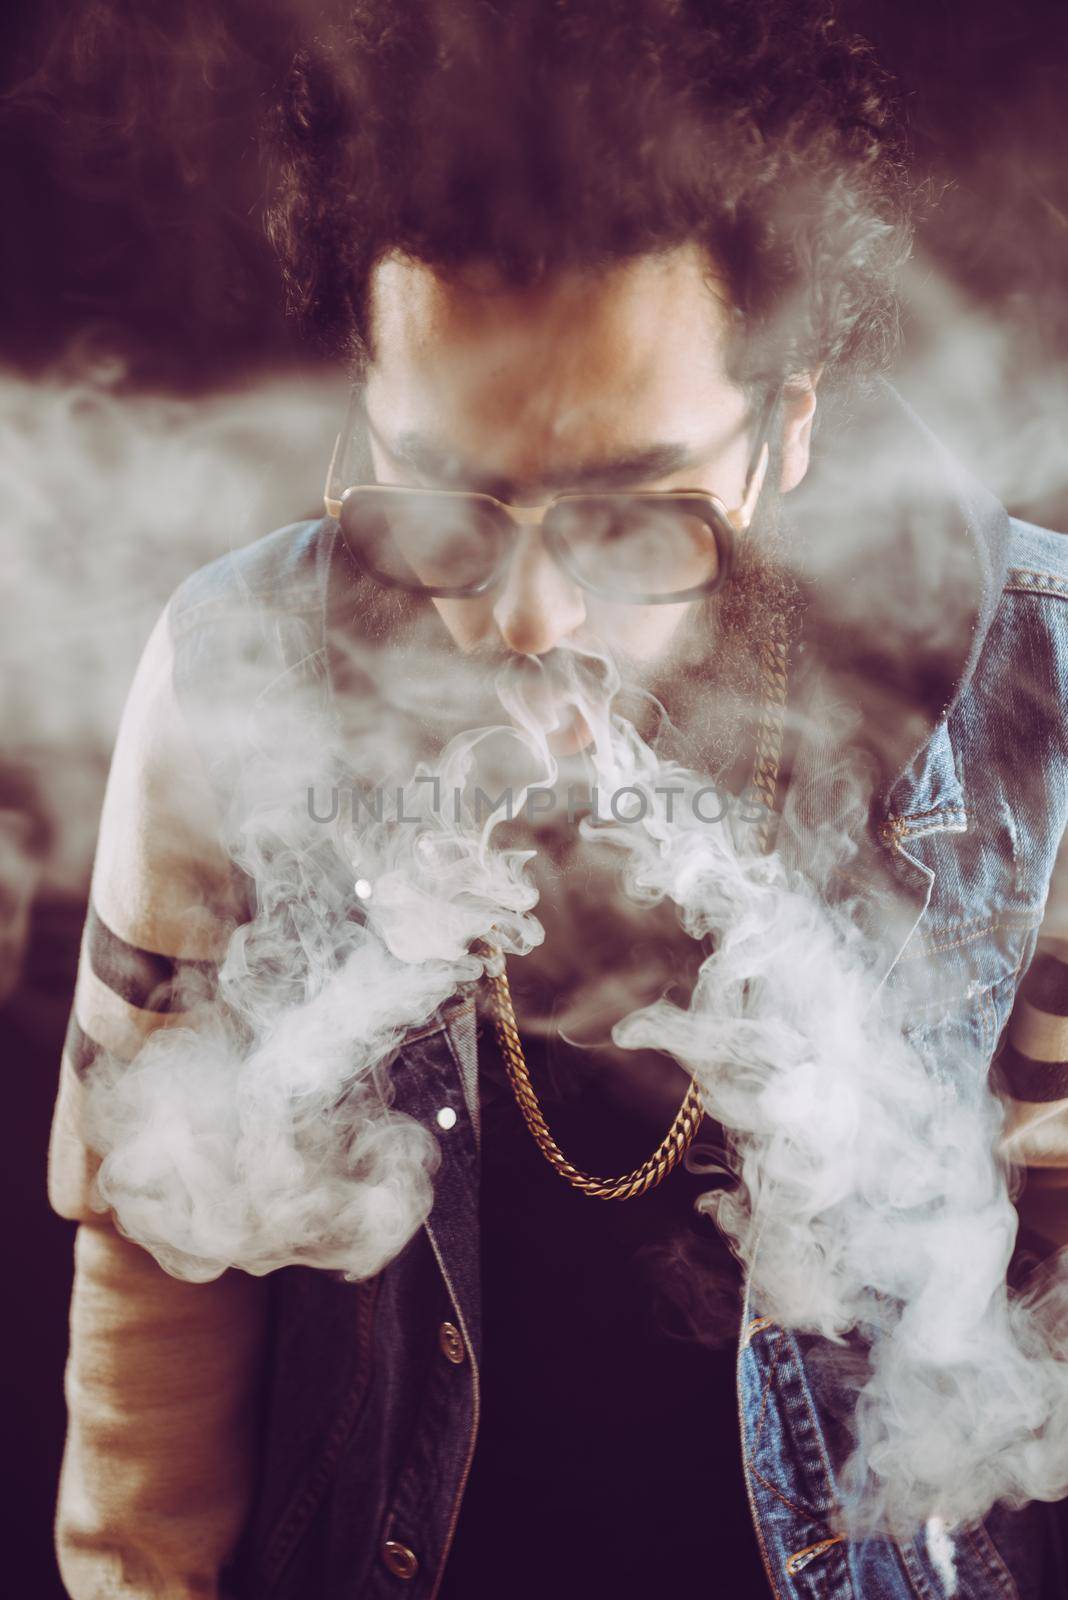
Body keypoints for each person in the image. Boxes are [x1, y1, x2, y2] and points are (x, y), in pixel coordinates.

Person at [47, 2, 1068, 1596]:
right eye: (444, 498)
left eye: (625, 515)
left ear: (790, 420)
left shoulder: (1044, 698)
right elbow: (158, 1267)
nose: (528, 620)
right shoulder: (237, 666)